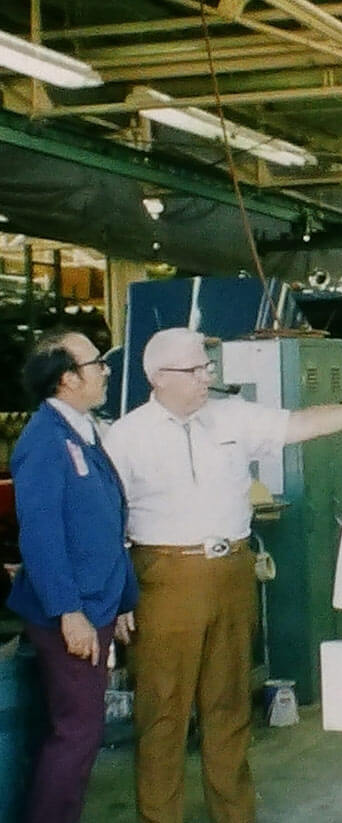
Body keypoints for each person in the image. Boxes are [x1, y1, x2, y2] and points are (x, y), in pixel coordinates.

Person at [102, 327, 342, 823]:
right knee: (163, 714)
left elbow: (298, 424)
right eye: (195, 370)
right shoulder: (127, 438)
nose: (207, 377)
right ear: (157, 378)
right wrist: (118, 599)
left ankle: (235, 815)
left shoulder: (231, 417)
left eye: (207, 367)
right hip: (164, 579)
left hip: (231, 572)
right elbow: (107, 524)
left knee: (228, 707)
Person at [7, 330, 138, 823]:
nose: (105, 370)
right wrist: (69, 612)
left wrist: (122, 598)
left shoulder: (82, 431)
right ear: (67, 378)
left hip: (95, 604)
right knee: (77, 731)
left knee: (77, 730)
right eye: (97, 363)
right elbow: (41, 536)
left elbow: (107, 518)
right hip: (70, 613)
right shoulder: (44, 441)